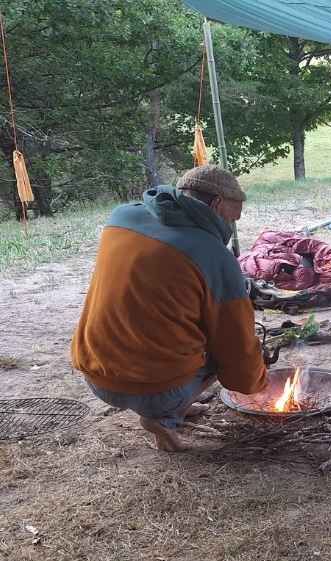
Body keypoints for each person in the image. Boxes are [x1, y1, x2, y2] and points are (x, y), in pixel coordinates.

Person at [71, 165, 268, 452]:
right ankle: (165, 418)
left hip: (94, 373)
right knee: (223, 354)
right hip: (149, 391)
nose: (232, 225)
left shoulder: (122, 217)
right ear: (215, 204)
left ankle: (175, 404)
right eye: (232, 216)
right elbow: (237, 348)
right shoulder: (214, 256)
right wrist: (259, 381)